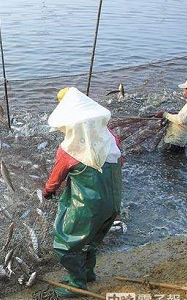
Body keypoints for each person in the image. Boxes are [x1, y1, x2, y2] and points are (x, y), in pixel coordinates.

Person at [42, 87, 122, 297]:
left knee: (65, 245)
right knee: (91, 239)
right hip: (113, 202)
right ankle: (87, 273)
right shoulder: (111, 138)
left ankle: (77, 284)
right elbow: (116, 162)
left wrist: (47, 193)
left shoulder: (69, 149)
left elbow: (55, 180)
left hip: (89, 205)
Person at [155, 76, 187, 154]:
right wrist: (176, 113)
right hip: (180, 141)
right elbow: (185, 117)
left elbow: (180, 120)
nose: (184, 92)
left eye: (186, 89)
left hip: (174, 143)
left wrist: (164, 114)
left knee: (168, 164)